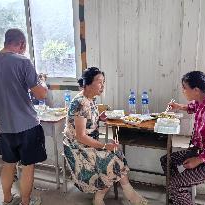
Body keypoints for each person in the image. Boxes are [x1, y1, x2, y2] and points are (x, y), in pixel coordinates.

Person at [0, 28, 47, 205]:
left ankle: (7, 199)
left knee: (8, 164)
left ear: (6, 41)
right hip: (27, 125)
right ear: (22, 44)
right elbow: (41, 94)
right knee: (28, 166)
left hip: (5, 127)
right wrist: (43, 82)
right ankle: (25, 202)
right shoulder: (23, 61)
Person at [63, 67, 148, 205]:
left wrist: (99, 118)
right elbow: (81, 136)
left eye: (104, 82)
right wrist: (104, 145)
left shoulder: (90, 99)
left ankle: (102, 197)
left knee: (116, 153)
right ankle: (129, 196)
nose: (103, 85)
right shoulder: (80, 103)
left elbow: (87, 121)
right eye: (99, 82)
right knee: (113, 160)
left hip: (87, 143)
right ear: (88, 83)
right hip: (78, 148)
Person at [160, 71, 205, 205]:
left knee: (174, 184)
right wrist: (179, 107)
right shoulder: (203, 100)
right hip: (200, 151)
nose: (183, 91)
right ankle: (180, 196)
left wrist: (199, 160)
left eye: (184, 88)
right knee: (166, 160)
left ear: (196, 90)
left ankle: (177, 191)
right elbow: (194, 107)